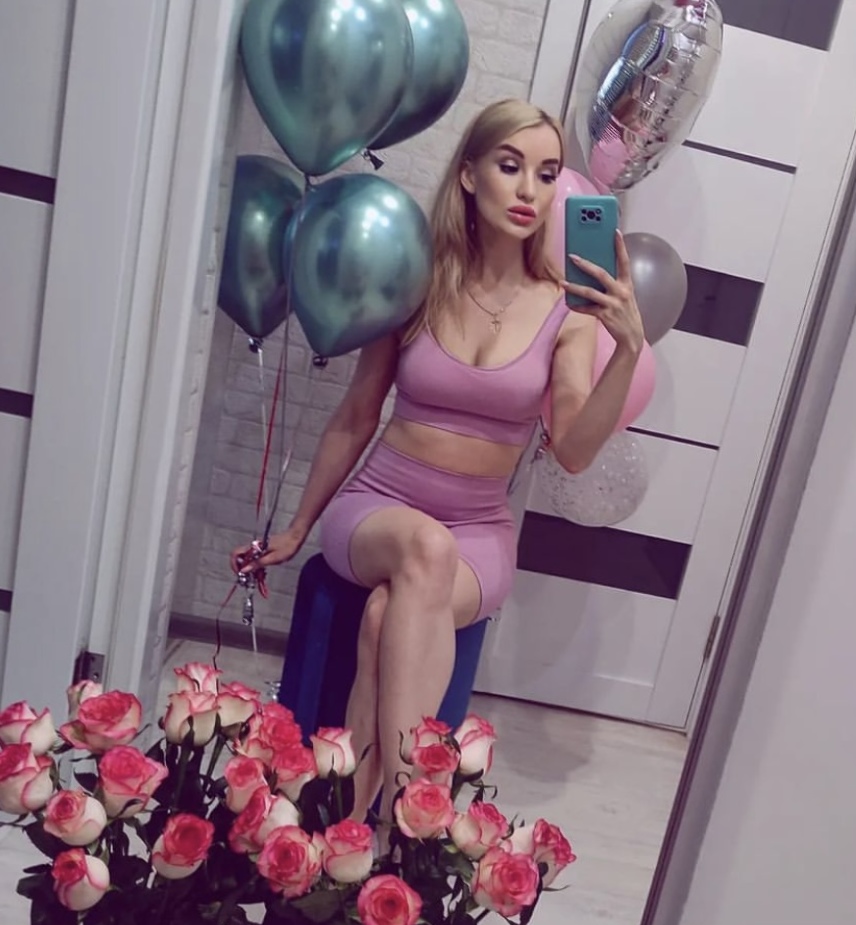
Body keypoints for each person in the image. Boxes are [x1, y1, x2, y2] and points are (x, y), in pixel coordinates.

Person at [232, 99, 644, 825]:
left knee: (386, 616)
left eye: (547, 174)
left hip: (479, 533)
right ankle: (412, 815)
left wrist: (629, 348)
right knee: (424, 548)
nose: (529, 190)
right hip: (378, 509)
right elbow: (358, 413)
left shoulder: (568, 312)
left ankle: (346, 829)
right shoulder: (416, 280)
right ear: (468, 175)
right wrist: (296, 527)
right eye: (510, 166)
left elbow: (575, 452)